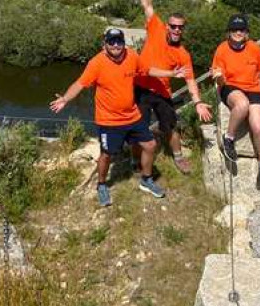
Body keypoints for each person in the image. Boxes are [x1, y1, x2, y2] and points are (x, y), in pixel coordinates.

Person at [50, 28, 185, 206]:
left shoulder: (132, 56)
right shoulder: (96, 63)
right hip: (109, 121)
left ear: (123, 43)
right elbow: (80, 83)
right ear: (104, 44)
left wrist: (171, 73)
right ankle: (102, 184)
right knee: (107, 154)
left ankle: (146, 179)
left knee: (151, 145)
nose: (115, 45)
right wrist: (66, 99)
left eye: (118, 41)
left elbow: (148, 70)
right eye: (111, 42)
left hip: (132, 115)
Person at [133, 0, 213, 174]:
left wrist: (197, 102)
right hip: (140, 88)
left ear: (183, 29)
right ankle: (138, 161)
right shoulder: (156, 28)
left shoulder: (183, 54)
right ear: (167, 26)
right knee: (138, 127)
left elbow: (190, 80)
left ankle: (178, 157)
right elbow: (147, 5)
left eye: (181, 27)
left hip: (162, 92)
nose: (177, 30)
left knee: (170, 126)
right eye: (174, 26)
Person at [211, 14, 260, 190]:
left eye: (241, 29)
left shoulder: (254, 48)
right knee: (242, 105)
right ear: (229, 32)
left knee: (257, 126)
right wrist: (218, 79)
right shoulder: (222, 49)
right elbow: (220, 79)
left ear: (247, 32)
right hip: (231, 87)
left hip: (253, 89)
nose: (238, 32)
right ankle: (229, 138)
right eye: (234, 29)